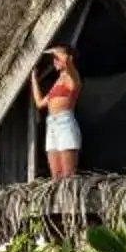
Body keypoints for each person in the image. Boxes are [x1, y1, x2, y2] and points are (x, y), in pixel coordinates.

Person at [33, 45, 82, 179]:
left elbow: (66, 60)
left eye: (56, 58)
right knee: (56, 174)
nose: (54, 61)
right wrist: (33, 77)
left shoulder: (73, 78)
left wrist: (53, 51)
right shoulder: (57, 82)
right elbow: (39, 103)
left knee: (68, 175)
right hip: (52, 125)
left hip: (64, 122)